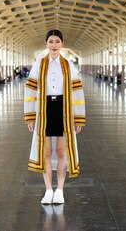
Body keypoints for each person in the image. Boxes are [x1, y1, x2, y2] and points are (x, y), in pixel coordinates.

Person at [24, 29, 86, 205]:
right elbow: (30, 90)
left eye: (57, 41)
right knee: (46, 151)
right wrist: (30, 116)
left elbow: (77, 91)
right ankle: (48, 190)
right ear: (46, 44)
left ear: (62, 44)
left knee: (61, 151)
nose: (54, 44)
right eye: (51, 41)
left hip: (63, 110)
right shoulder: (39, 64)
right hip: (44, 109)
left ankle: (60, 190)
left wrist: (78, 118)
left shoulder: (68, 64)